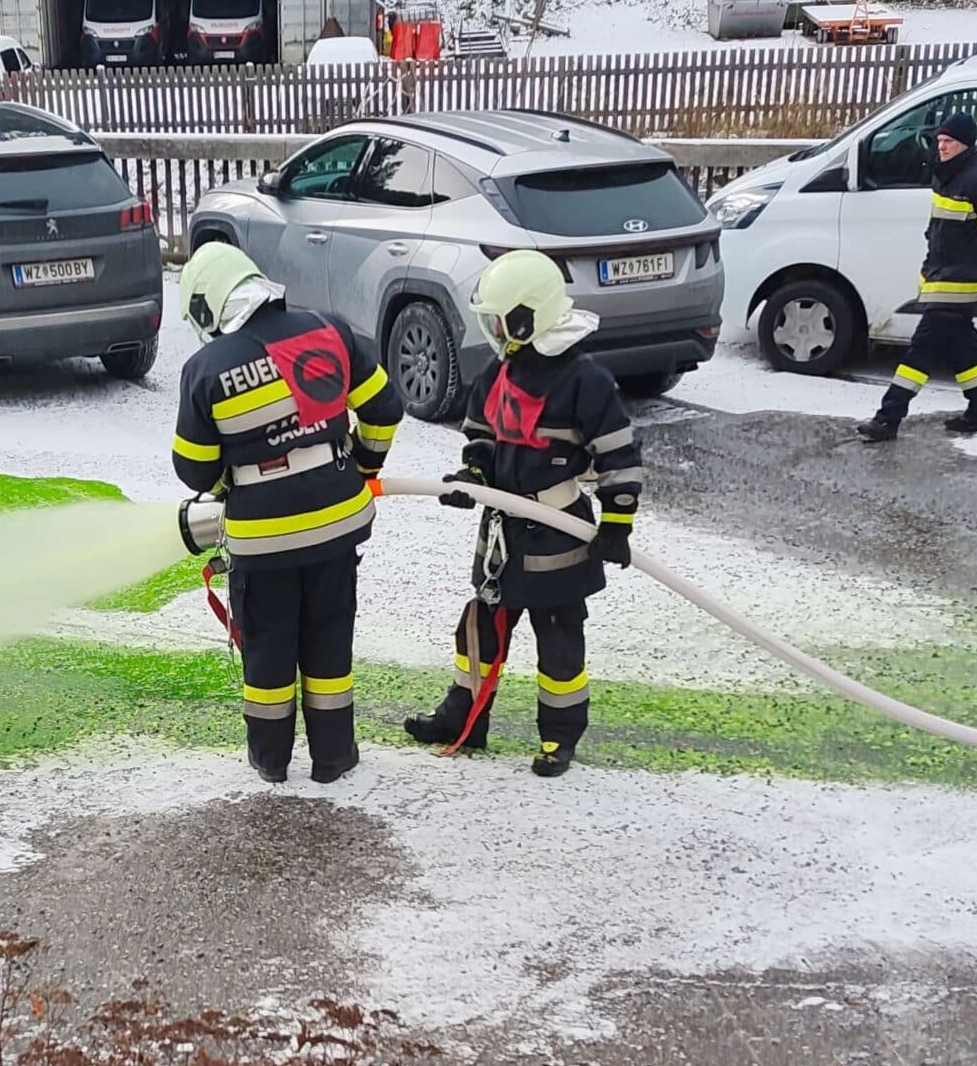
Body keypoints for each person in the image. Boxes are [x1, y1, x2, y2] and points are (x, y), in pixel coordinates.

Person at [403, 249, 641, 779]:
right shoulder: (499, 372)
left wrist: (618, 522)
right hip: (502, 534)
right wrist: (474, 477)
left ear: (527, 318)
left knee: (559, 640)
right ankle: (464, 718)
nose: (492, 332)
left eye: (498, 321)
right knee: (479, 628)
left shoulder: (585, 381)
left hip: (559, 534)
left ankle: (560, 736)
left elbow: (619, 456)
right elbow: (481, 435)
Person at [169, 240, 400, 784]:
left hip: (263, 538)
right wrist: (363, 467)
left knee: (269, 647)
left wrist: (235, 471)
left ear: (207, 307)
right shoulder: (330, 330)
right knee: (329, 638)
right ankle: (334, 757)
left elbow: (194, 470)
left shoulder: (206, 368)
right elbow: (385, 408)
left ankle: (271, 760)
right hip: (339, 522)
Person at [857, 108, 977, 442]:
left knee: (921, 351)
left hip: (960, 282)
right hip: (942, 276)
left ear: (966, 144)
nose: (941, 146)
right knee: (965, 350)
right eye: (940, 140)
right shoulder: (947, 175)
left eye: (949, 142)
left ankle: (888, 418)